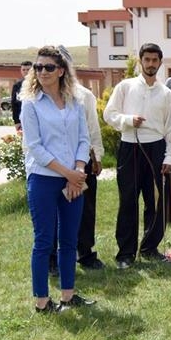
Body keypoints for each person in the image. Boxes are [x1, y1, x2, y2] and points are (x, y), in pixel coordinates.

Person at [20, 45, 95, 312]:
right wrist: (71, 175)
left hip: (72, 178)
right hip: (44, 179)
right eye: (37, 67)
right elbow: (36, 148)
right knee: (43, 240)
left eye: (48, 67)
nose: (42, 72)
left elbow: (84, 139)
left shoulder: (75, 101)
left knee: (69, 241)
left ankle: (67, 295)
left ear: (61, 71)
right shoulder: (30, 104)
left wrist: (77, 169)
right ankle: (42, 301)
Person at [104, 43, 171, 269]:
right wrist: (127, 120)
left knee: (155, 201)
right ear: (140, 62)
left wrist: (169, 158)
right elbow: (109, 114)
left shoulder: (166, 94)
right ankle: (125, 253)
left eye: (155, 60)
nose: (151, 64)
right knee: (128, 201)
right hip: (129, 148)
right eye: (147, 60)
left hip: (156, 149)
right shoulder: (125, 87)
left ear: (160, 63)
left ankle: (150, 247)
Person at [74, 83, 105, 269]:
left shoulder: (83, 95)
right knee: (53, 211)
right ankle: (52, 259)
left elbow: (93, 127)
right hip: (52, 164)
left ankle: (85, 253)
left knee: (85, 209)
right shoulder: (39, 96)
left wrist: (97, 156)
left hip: (82, 160)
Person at [11, 60, 32, 131]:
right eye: (23, 70)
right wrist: (16, 122)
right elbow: (14, 104)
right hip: (23, 118)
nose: (26, 71)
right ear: (21, 71)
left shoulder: (40, 84)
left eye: (28, 69)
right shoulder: (17, 86)